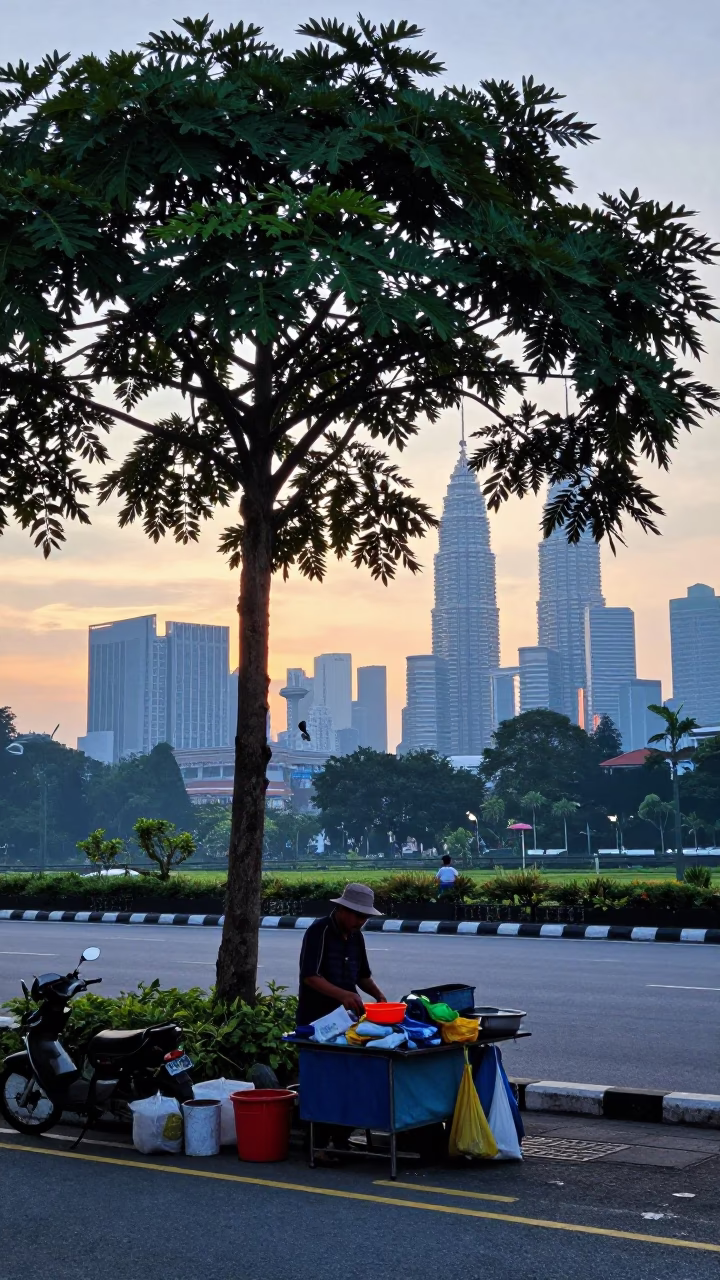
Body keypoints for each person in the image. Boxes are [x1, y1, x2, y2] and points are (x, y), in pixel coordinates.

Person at [297, 882, 387, 1026]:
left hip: (347, 1019)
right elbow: (310, 976)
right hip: (317, 1019)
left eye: (365, 917)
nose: (361, 922)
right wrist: (343, 995)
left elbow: (362, 976)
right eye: (358, 916)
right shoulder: (319, 931)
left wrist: (379, 996)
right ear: (342, 909)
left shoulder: (357, 937)